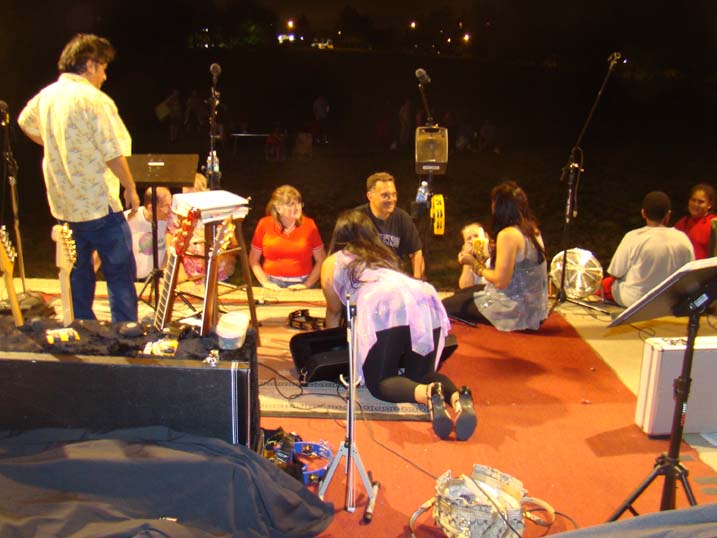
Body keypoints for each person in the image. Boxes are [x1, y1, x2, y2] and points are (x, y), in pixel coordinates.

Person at [321, 210, 476, 441]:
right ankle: (458, 398)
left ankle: (427, 394)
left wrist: (332, 353)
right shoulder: (384, 256)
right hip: (424, 298)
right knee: (423, 373)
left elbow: (334, 311)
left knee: (381, 382)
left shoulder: (334, 261)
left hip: (384, 305)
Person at [18, 33, 140, 323]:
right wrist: (130, 186)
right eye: (103, 68)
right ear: (90, 64)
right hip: (98, 204)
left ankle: (83, 329)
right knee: (119, 272)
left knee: (78, 270)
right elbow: (112, 151)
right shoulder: (94, 99)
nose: (105, 76)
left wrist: (54, 144)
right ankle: (125, 331)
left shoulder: (47, 95)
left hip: (64, 204)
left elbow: (25, 122)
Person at [442, 181, 548, 331]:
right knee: (463, 293)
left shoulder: (508, 235)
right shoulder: (532, 230)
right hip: (533, 308)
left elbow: (500, 281)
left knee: (445, 305)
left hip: (513, 309)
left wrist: (474, 264)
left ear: (500, 207)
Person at [602, 191, 694, 307]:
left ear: (643, 213)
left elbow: (615, 273)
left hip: (635, 300)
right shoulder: (683, 238)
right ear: (668, 215)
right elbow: (690, 274)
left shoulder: (633, 237)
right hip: (670, 302)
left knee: (606, 284)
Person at [249, 185, 325, 290]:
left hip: (302, 282)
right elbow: (253, 259)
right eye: (291, 205)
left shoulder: (309, 225)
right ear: (278, 208)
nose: (297, 208)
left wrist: (307, 284)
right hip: (272, 283)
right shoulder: (264, 224)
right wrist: (265, 282)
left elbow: (321, 259)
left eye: (299, 203)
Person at [166, 173, 237, 283]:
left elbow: (231, 243)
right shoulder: (177, 214)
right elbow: (171, 241)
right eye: (185, 195)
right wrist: (179, 272)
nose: (188, 202)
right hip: (188, 276)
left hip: (216, 275)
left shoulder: (216, 212)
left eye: (192, 196)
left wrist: (227, 260)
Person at [356, 171, 424, 279]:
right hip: (363, 278)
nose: (392, 199)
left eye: (394, 194)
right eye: (385, 195)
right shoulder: (356, 218)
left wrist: (417, 280)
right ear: (370, 196)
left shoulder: (402, 218)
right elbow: (340, 255)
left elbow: (416, 252)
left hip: (393, 278)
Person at [124, 186, 172, 280]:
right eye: (166, 206)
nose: (170, 210)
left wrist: (164, 271)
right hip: (129, 280)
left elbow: (169, 250)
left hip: (155, 280)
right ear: (151, 208)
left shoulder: (169, 221)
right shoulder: (127, 220)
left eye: (171, 205)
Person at [674, 183, 717, 259]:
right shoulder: (682, 223)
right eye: (693, 200)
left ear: (709, 205)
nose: (696, 204)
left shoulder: (713, 224)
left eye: (701, 202)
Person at [456, 222, 489, 289]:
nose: (473, 240)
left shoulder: (495, 255)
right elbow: (465, 287)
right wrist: (467, 262)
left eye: (476, 236)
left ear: (486, 236)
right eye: (469, 238)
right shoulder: (470, 259)